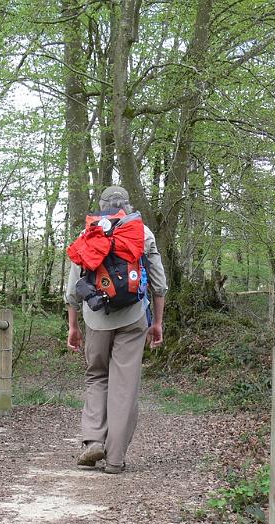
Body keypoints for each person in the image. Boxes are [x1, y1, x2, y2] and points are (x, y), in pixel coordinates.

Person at [65, 185, 168, 474]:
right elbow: (159, 284)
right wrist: (157, 323)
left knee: (97, 376)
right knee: (125, 384)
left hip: (96, 318)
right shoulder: (142, 232)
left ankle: (93, 440)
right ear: (127, 205)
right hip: (133, 318)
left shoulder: (89, 232)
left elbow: (73, 289)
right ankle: (115, 459)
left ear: (101, 205)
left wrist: (73, 326)